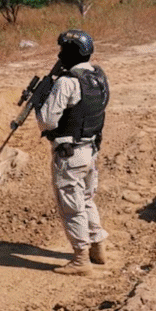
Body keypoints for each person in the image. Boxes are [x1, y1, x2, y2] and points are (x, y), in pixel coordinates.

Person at [35, 29, 110, 275]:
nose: (59, 54)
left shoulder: (67, 82)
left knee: (72, 207)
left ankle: (81, 260)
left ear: (70, 53)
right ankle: (98, 247)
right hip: (91, 149)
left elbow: (47, 121)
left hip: (69, 155)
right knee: (87, 200)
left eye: (63, 50)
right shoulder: (97, 76)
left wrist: (39, 103)